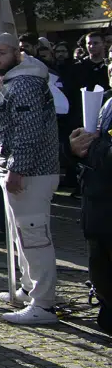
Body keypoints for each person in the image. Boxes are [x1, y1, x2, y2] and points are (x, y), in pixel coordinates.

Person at [0, 33, 62, 325]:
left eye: (0, 53)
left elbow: (28, 131)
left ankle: (42, 303)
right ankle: (29, 289)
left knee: (33, 236)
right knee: (22, 236)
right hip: (23, 170)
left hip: (31, 173)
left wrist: (17, 169)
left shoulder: (26, 83)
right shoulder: (16, 81)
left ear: (17, 53)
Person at [69, 95, 112, 337]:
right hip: (97, 207)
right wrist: (75, 147)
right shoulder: (105, 102)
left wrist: (95, 147)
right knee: (101, 274)